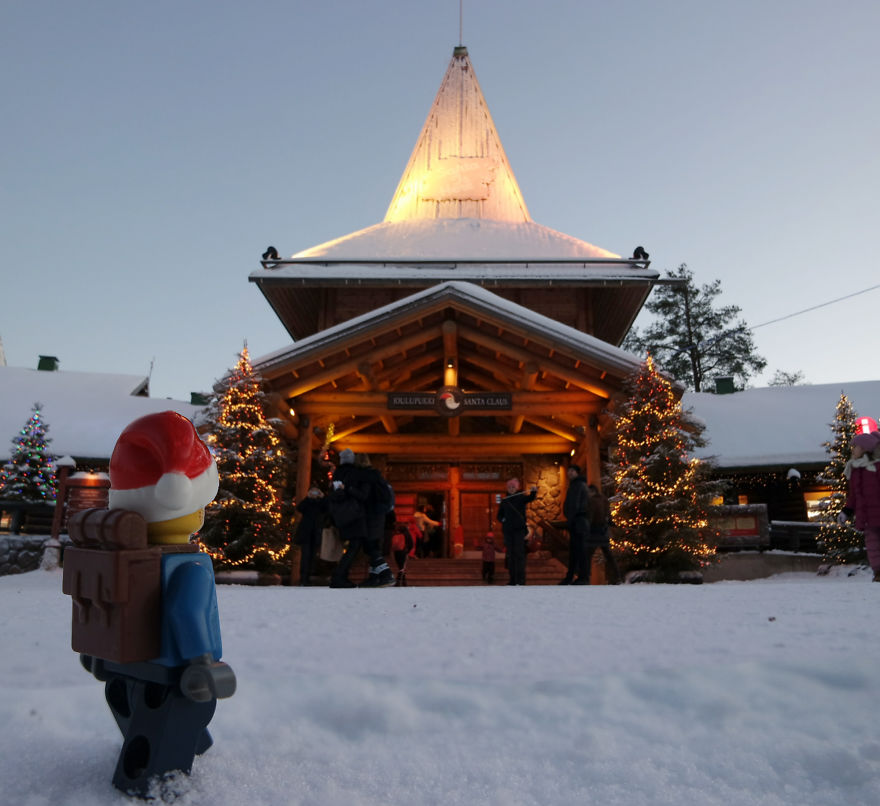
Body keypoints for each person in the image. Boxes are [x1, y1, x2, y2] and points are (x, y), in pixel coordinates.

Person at [328, 449, 393, 588]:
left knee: (368, 547)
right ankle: (376, 576)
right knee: (369, 546)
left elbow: (363, 496)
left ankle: (385, 574)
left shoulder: (363, 476)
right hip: (376, 515)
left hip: (369, 516)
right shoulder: (373, 475)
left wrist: (348, 488)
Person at [840, 430, 880, 582]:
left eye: (855, 447)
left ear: (864, 449)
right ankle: (878, 572)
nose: (853, 450)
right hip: (868, 518)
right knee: (872, 546)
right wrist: (846, 511)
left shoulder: (877, 467)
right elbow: (854, 496)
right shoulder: (855, 469)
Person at [496, 477, 537, 585]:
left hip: (519, 530)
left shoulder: (521, 498)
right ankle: (512, 580)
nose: (511, 489)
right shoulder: (504, 501)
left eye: (513, 487)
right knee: (510, 555)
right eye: (509, 487)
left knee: (519, 555)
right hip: (508, 531)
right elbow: (499, 515)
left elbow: (530, 498)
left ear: (517, 488)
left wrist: (533, 492)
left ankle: (521, 580)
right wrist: (503, 520)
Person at [582, 483, 621, 585]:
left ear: (591, 492)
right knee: (608, 555)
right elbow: (608, 514)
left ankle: (585, 577)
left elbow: (590, 516)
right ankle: (616, 577)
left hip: (594, 531)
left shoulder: (591, 501)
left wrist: (586, 527)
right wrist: (610, 523)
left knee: (588, 554)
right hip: (603, 531)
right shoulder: (604, 499)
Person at [560, 465, 589, 584]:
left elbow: (578, 504)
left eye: (572, 471)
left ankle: (583, 577)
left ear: (577, 472)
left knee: (581, 551)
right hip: (574, 522)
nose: (570, 473)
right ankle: (570, 576)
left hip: (580, 522)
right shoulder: (572, 486)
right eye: (569, 471)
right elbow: (569, 504)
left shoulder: (580, 485)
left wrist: (573, 516)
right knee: (573, 551)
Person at [294, 487, 327, 586]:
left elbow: (327, 509)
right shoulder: (307, 503)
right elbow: (300, 508)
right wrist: (308, 498)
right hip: (306, 532)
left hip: (316, 531)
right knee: (305, 555)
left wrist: (322, 498)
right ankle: (303, 578)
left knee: (312, 555)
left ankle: (308, 577)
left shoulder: (320, 503)